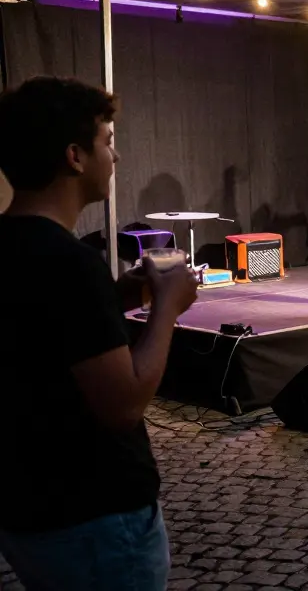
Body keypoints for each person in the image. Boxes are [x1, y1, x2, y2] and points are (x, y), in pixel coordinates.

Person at [0, 77, 199, 589]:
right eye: (108, 140)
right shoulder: (71, 264)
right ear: (75, 156)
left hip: (29, 509)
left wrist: (119, 297)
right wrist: (168, 309)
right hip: (96, 518)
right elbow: (124, 403)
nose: (117, 156)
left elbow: (42, 339)